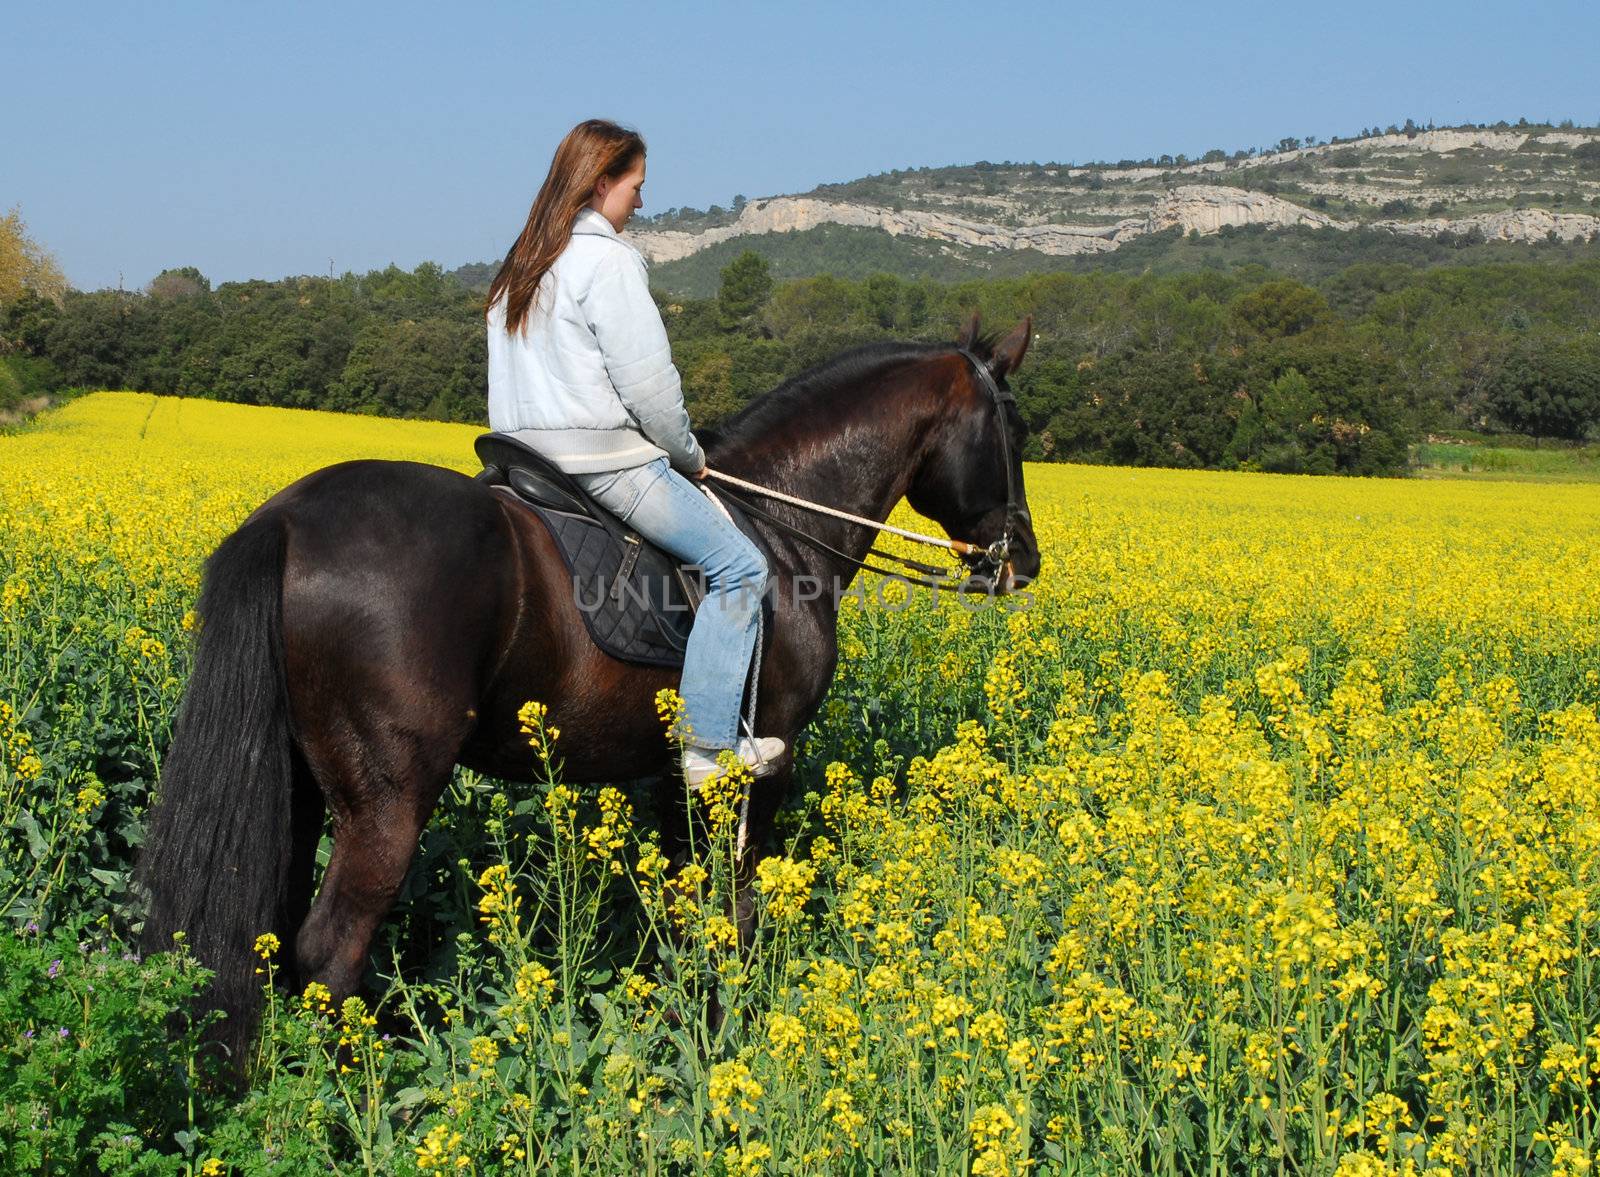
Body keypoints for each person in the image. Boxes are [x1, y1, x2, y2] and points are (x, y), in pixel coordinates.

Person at [485, 118, 782, 787]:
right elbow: (650, 388)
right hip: (602, 463)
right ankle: (706, 750)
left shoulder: (522, 264)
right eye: (636, 187)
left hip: (518, 462)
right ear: (600, 183)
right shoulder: (609, 261)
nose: (641, 205)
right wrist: (687, 454)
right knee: (739, 565)